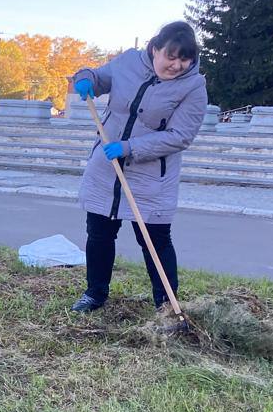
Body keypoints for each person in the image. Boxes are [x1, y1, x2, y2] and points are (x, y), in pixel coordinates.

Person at [69, 20, 208, 312]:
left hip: (151, 176)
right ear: (155, 48)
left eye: (185, 59)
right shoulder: (129, 62)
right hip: (106, 168)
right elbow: (100, 77)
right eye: (171, 56)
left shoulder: (193, 87)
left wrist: (130, 148)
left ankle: (166, 304)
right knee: (99, 233)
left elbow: (180, 136)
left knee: (155, 240)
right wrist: (86, 78)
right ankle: (95, 293)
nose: (177, 65)